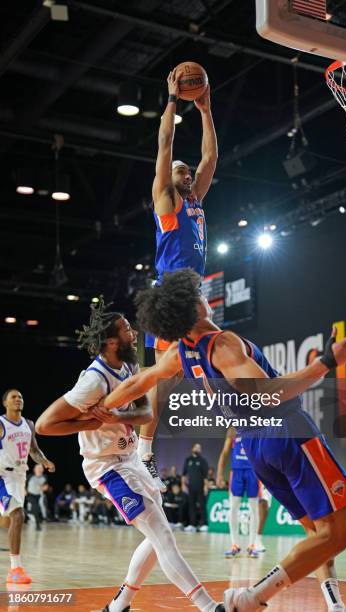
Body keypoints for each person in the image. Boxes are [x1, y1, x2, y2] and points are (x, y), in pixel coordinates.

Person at [103, 269, 346, 612]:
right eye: (199, 294)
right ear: (194, 307)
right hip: (285, 431)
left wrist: (96, 407)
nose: (205, 297)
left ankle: (335, 604)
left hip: (257, 447)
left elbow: (136, 384)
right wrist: (327, 361)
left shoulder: (181, 353)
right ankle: (250, 598)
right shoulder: (223, 344)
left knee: (318, 534)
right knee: (336, 534)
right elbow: (270, 394)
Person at [35, 298, 223, 612]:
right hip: (106, 467)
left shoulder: (129, 365)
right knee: (162, 534)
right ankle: (208, 607)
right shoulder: (94, 381)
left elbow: (145, 411)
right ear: (111, 340)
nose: (133, 333)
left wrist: (117, 418)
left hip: (131, 459)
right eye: (126, 330)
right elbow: (44, 425)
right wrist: (90, 421)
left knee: (158, 533)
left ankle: (119, 605)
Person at [138, 66, 218, 489]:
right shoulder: (166, 198)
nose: (188, 175)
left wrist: (205, 110)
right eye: (181, 172)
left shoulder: (196, 200)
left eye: (189, 173)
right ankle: (143, 449)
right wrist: (173, 100)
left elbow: (211, 158)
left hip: (192, 290)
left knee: (181, 369)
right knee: (164, 378)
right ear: (169, 179)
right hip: (171, 292)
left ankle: (217, 400)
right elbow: (166, 144)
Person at [0, 388, 55, 584]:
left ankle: (14, 568)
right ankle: (15, 569)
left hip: (19, 476)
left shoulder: (28, 424)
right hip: (2, 476)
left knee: (12, 518)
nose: (18, 399)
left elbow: (34, 450)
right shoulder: (1, 423)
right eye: (14, 397)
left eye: (21, 397)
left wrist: (45, 461)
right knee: (18, 515)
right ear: (5, 402)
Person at [217, 428, 260, 558]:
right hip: (236, 473)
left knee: (254, 508)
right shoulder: (233, 429)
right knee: (233, 508)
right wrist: (219, 473)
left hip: (253, 472)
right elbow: (224, 452)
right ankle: (235, 544)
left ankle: (252, 545)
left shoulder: (256, 427)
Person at [182, 443, 209, 532]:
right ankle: (192, 524)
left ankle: (204, 524)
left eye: (199, 448)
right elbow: (184, 474)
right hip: (191, 487)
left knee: (202, 505)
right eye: (197, 447)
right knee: (191, 506)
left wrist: (205, 486)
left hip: (200, 486)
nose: (198, 449)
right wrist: (183, 485)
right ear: (192, 448)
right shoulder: (188, 460)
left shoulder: (202, 460)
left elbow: (205, 476)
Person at [26, 463, 49, 531]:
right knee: (36, 507)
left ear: (42, 470)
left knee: (35, 509)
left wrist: (44, 488)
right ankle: (38, 525)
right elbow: (23, 483)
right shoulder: (30, 476)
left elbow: (46, 486)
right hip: (30, 495)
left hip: (38, 495)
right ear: (34, 469)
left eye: (40, 468)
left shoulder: (44, 477)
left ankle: (26, 511)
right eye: (38, 468)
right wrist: (24, 490)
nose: (39, 469)